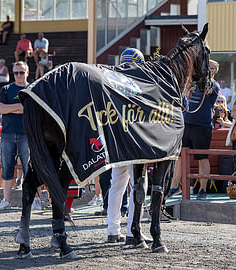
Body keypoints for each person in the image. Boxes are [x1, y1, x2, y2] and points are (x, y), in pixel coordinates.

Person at [168, 59, 221, 200]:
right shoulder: (193, 82)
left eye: (211, 67)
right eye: (206, 66)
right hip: (187, 123)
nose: (208, 69)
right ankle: (174, 186)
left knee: (202, 158)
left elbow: (207, 90)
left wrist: (202, 76)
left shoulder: (214, 85)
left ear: (215, 71)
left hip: (202, 126)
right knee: (180, 157)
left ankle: (202, 189)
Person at [106, 48, 143, 244]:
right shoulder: (139, 85)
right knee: (138, 186)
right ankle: (132, 230)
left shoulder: (112, 82)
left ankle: (112, 230)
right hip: (134, 142)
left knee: (116, 186)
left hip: (117, 141)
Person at [0, 61, 30, 210]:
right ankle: (6, 200)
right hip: (8, 133)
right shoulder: (6, 89)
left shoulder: (32, 88)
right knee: (7, 167)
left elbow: (31, 109)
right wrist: (19, 107)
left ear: (27, 72)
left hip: (27, 133)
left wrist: (9, 108)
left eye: (22, 72)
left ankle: (33, 200)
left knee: (30, 168)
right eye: (16, 72)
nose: (19, 75)